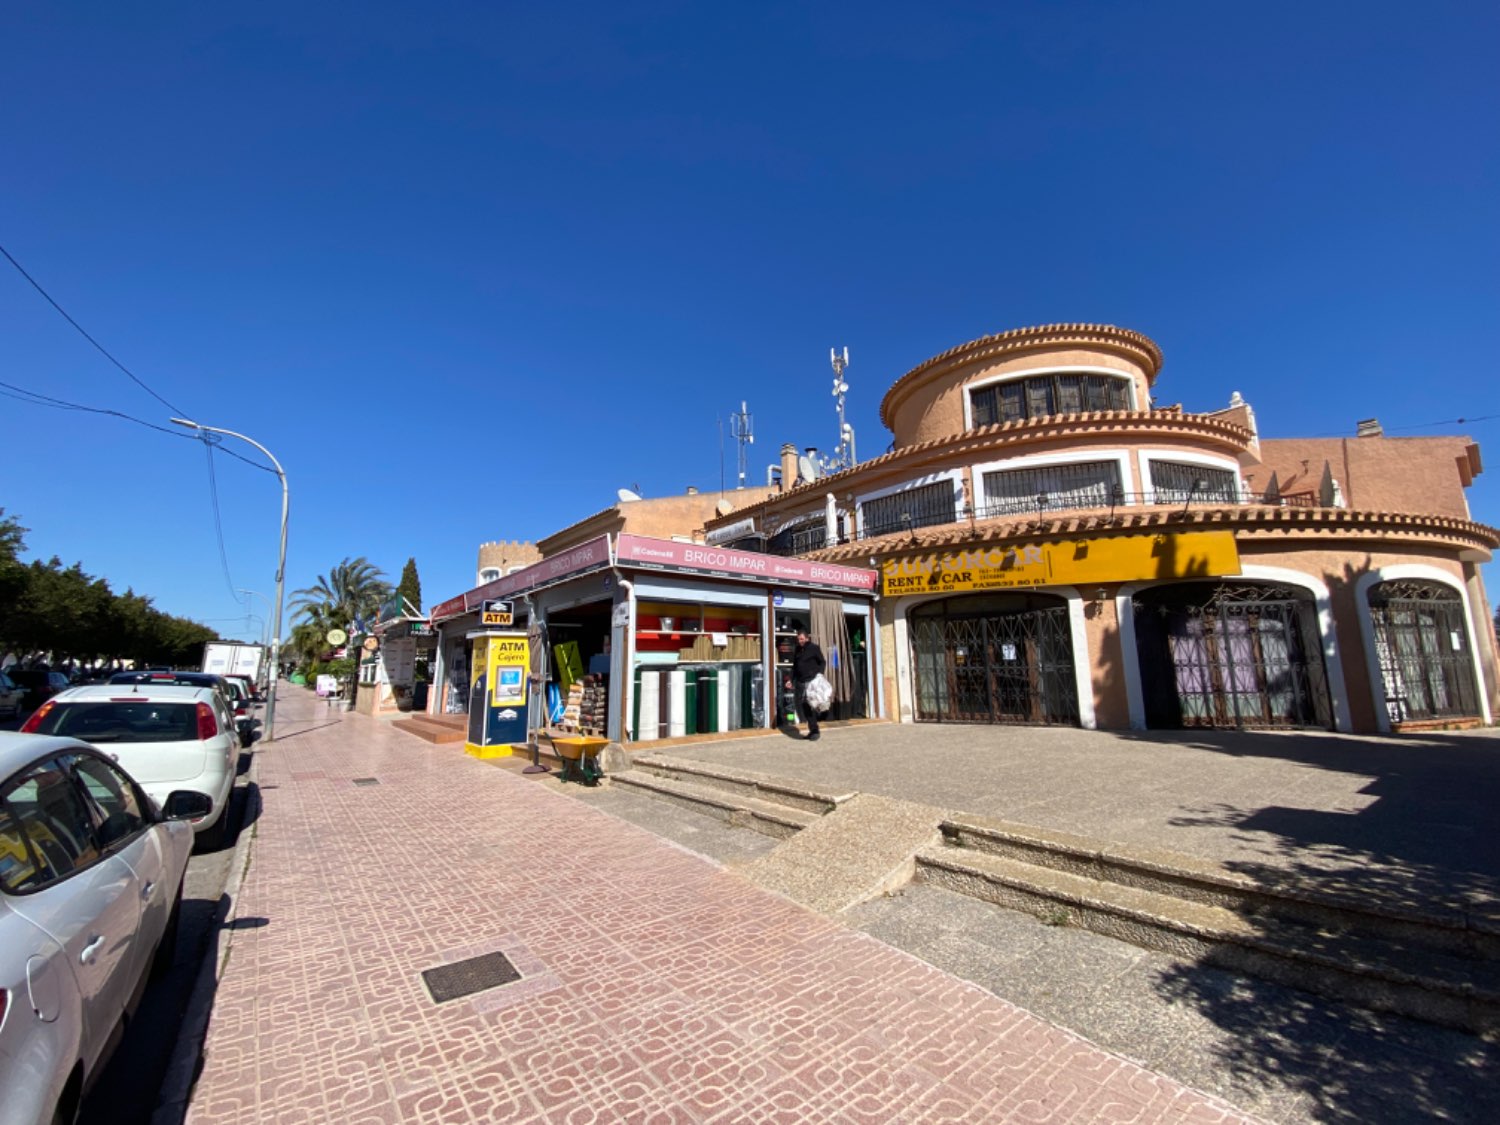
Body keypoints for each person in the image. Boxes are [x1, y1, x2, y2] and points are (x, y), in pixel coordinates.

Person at [791, 626, 826, 741]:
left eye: (801, 639)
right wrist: (791, 680)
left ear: (807, 638)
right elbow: (795, 667)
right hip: (801, 681)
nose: (800, 641)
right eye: (798, 639)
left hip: (811, 681)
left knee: (812, 705)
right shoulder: (797, 649)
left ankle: (815, 731)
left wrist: (819, 674)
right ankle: (812, 730)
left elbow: (822, 662)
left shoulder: (814, 648)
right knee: (805, 706)